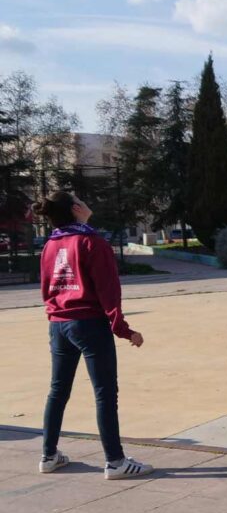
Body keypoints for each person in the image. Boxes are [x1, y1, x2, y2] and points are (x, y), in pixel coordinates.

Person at [34, 192, 153, 479]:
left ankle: (49, 456)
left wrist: (56, 316)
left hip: (59, 323)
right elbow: (109, 292)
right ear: (77, 209)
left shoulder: (51, 244)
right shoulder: (92, 242)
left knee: (58, 390)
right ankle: (115, 461)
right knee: (104, 393)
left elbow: (46, 288)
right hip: (88, 324)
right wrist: (124, 330)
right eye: (81, 201)